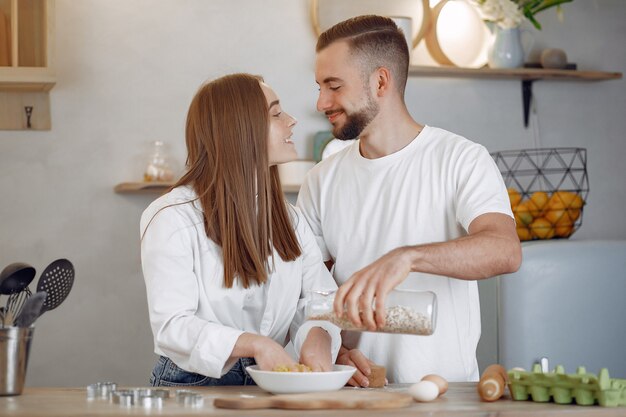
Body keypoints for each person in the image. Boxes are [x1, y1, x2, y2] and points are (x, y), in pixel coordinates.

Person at [297, 15, 522, 385]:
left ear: (380, 81)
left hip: (445, 394)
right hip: (354, 394)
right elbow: (313, 291)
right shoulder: (321, 179)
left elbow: (505, 250)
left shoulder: (460, 158)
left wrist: (408, 257)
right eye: (319, 86)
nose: (321, 101)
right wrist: (332, 348)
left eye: (333, 86)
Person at [140, 73, 341, 386]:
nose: (291, 121)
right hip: (194, 383)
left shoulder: (290, 220)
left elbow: (320, 299)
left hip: (270, 379)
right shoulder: (172, 217)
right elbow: (172, 326)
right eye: (276, 114)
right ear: (239, 130)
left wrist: (318, 336)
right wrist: (256, 344)